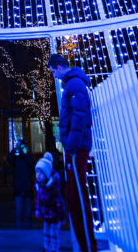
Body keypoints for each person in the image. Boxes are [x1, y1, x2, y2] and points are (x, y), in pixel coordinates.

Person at [47, 53, 97, 252]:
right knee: (74, 193)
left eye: (52, 71)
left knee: (76, 194)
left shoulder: (73, 85)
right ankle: (85, 241)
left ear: (58, 67)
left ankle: (87, 243)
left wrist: (71, 145)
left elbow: (79, 115)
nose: (53, 76)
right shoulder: (72, 85)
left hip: (76, 148)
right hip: (75, 146)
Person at [34, 151, 65, 252]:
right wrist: (37, 209)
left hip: (55, 214)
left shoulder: (52, 188)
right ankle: (46, 248)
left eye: (41, 173)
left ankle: (54, 249)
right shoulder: (39, 185)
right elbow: (38, 198)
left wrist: (62, 216)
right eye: (37, 172)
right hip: (46, 213)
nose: (38, 175)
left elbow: (59, 202)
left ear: (47, 174)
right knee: (46, 231)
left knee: (53, 233)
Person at [7, 139, 34, 229]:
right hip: (19, 188)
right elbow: (9, 159)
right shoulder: (16, 158)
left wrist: (25, 153)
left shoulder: (27, 157)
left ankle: (27, 228)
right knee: (19, 212)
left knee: (27, 212)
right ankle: (19, 229)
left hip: (27, 189)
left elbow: (31, 164)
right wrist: (15, 149)